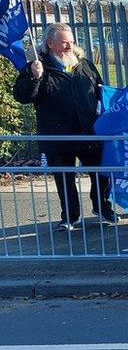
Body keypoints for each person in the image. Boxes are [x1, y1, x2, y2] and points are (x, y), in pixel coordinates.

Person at [13, 22, 116, 230]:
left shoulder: (84, 64)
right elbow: (22, 96)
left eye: (71, 41)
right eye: (64, 42)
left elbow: (100, 90)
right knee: (64, 178)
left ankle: (103, 207)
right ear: (50, 43)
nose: (69, 46)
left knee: (101, 172)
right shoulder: (37, 66)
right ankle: (70, 216)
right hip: (57, 133)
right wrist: (35, 78)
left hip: (88, 132)